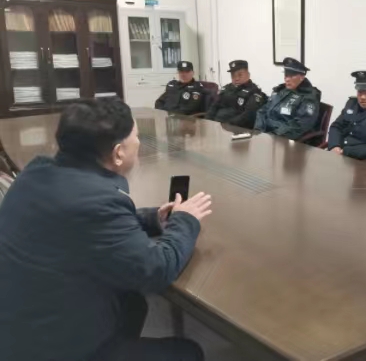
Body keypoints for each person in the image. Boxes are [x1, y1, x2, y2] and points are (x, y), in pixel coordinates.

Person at [0, 98, 213, 361]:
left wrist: (153, 219)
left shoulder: (36, 172)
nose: (139, 142)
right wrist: (185, 220)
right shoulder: (97, 202)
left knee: (132, 302)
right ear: (118, 152)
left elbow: (82, 223)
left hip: (20, 325)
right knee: (187, 353)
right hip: (50, 348)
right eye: (136, 136)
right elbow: (156, 270)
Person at [254, 57, 321, 140]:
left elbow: (300, 125)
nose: (287, 79)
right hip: (265, 135)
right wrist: (258, 130)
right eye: (286, 75)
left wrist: (273, 136)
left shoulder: (309, 97)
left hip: (283, 139)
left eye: (292, 76)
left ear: (302, 77)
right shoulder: (281, 90)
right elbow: (263, 111)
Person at [206, 60, 267, 129]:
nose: (236, 78)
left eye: (240, 75)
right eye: (233, 75)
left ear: (248, 75)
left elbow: (248, 116)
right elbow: (214, 106)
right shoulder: (226, 88)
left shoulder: (254, 92)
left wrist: (227, 125)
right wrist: (207, 122)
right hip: (217, 126)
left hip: (236, 129)